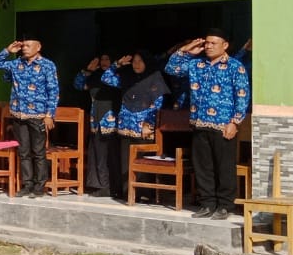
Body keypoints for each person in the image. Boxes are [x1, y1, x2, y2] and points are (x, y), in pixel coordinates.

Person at [164, 29, 251, 220]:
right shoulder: (196, 65)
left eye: (213, 43)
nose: (209, 46)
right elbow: (171, 69)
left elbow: (242, 96)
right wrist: (186, 50)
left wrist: (235, 122)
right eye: (207, 43)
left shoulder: (235, 67)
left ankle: (225, 206)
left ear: (225, 45)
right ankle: (207, 204)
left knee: (224, 166)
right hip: (199, 123)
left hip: (223, 126)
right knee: (203, 166)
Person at [0, 36, 58, 198]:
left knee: (38, 152)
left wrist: (50, 114)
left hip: (38, 114)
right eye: (23, 46)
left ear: (38, 47)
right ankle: (27, 185)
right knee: (23, 152)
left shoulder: (47, 65)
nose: (24, 48)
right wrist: (8, 51)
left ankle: (39, 186)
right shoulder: (16, 64)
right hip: (18, 114)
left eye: (28, 46)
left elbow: (53, 90)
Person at [102, 50, 169, 201]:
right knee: (126, 161)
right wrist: (117, 65)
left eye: (140, 61)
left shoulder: (154, 80)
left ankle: (145, 193)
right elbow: (105, 78)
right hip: (126, 126)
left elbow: (158, 104)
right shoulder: (127, 78)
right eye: (134, 61)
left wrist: (149, 124)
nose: (136, 64)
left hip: (143, 128)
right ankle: (129, 193)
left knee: (143, 160)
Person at [73, 54, 119, 196]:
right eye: (102, 59)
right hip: (96, 117)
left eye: (107, 59)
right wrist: (87, 71)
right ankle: (99, 184)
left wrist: (114, 68)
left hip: (111, 117)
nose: (104, 62)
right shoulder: (95, 76)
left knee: (109, 153)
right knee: (97, 152)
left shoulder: (116, 76)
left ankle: (110, 186)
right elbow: (78, 85)